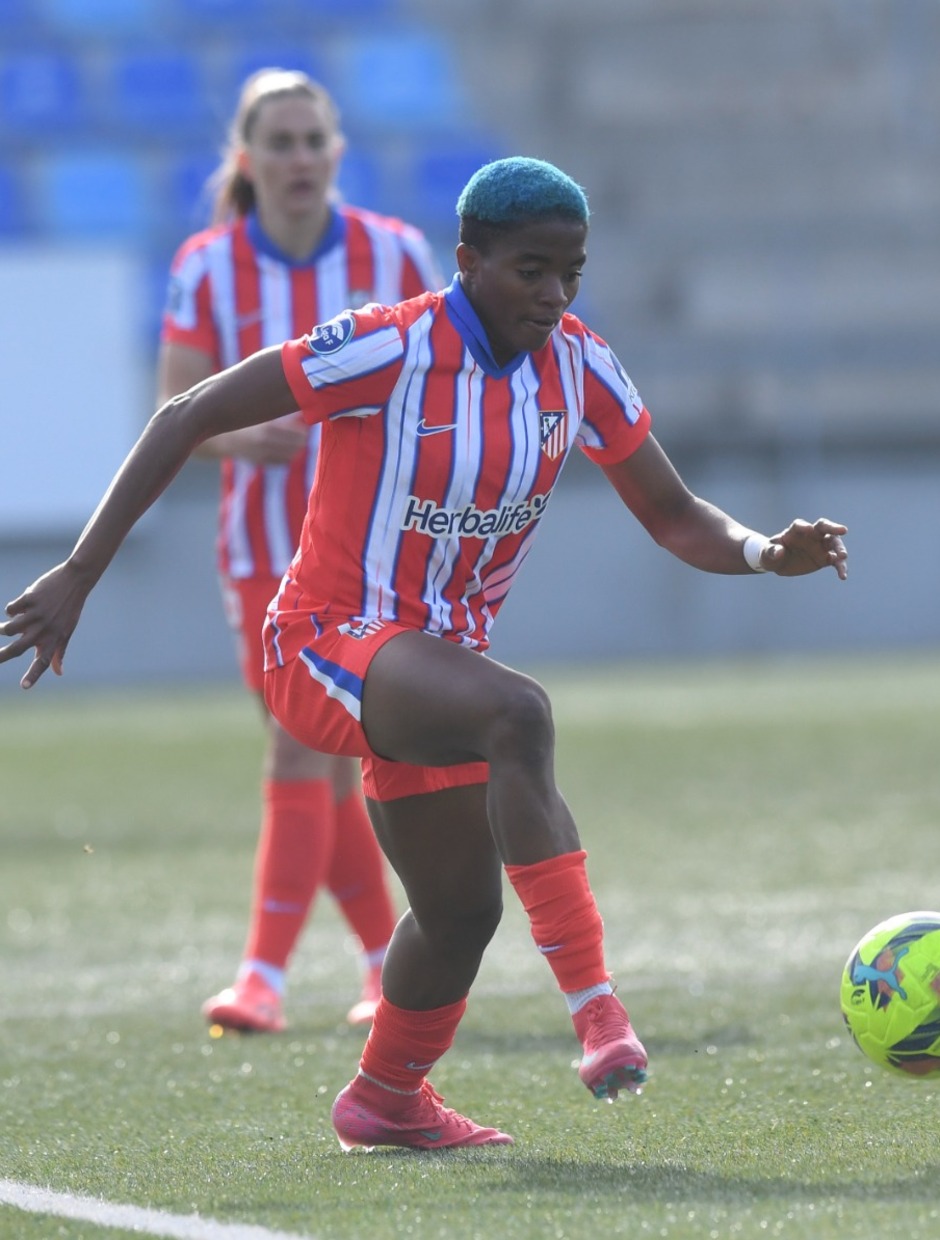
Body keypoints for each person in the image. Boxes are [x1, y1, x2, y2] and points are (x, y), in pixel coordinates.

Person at [0, 156, 848, 1151]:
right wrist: (80, 572)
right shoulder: (382, 347)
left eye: (570, 271)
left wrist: (759, 551)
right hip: (318, 643)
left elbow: (670, 515)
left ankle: (387, 1097)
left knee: (457, 914)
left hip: (433, 671)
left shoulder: (578, 363)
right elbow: (185, 415)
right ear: (468, 260)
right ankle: (597, 1009)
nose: (554, 293)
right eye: (531, 269)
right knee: (518, 714)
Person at [157, 68, 444, 1033]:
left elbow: (437, 381)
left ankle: (264, 978)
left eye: (313, 141)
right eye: (278, 143)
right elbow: (179, 409)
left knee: (312, 749)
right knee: (313, 755)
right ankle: (376, 962)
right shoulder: (206, 265)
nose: (298, 160)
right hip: (261, 551)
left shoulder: (395, 252)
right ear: (246, 160)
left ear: (337, 152)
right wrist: (243, 434)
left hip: (370, 553)